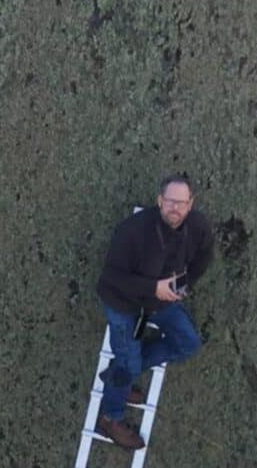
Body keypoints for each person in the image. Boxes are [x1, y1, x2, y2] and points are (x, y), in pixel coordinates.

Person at [94, 174, 215, 449]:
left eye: (181, 203)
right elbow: (111, 277)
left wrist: (185, 284)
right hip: (124, 303)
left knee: (188, 343)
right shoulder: (132, 231)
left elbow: (205, 254)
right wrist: (153, 287)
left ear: (190, 203)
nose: (175, 208)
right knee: (129, 365)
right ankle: (110, 418)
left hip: (160, 303)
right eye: (170, 201)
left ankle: (118, 376)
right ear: (160, 200)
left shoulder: (198, 227)